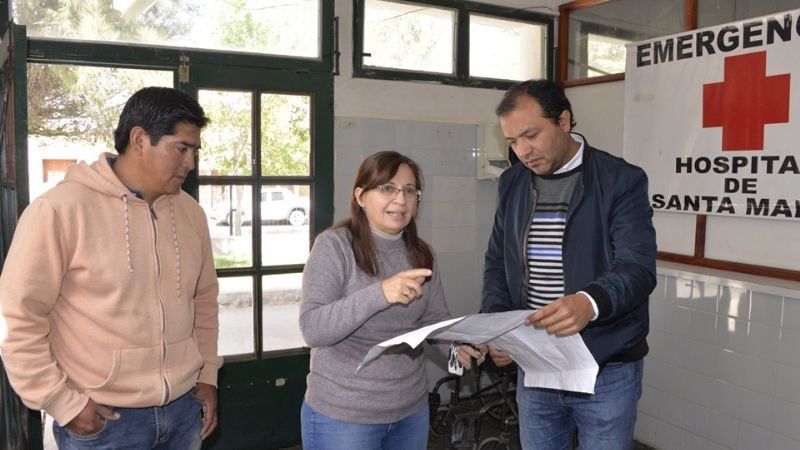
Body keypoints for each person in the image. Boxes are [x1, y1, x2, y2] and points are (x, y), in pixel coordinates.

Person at [0, 86, 222, 449]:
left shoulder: (190, 214)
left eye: (194, 151)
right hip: (106, 420)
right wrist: (62, 402)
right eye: (181, 148)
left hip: (184, 411)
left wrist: (208, 376)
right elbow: (17, 318)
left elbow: (204, 301)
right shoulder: (59, 211)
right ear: (139, 139)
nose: (190, 163)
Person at [482, 79, 657, 450]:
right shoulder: (513, 182)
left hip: (604, 363)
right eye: (513, 141)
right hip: (537, 360)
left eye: (531, 135)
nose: (523, 151)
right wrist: (498, 323)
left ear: (564, 121)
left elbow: (637, 268)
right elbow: (498, 261)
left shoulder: (620, 180)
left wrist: (589, 302)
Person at [299, 151, 484, 450]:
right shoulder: (334, 247)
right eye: (387, 188)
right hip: (345, 415)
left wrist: (456, 346)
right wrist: (380, 293)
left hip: (410, 410)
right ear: (361, 196)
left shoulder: (422, 253)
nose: (400, 200)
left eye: (409, 191)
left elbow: (434, 321)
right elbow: (313, 328)